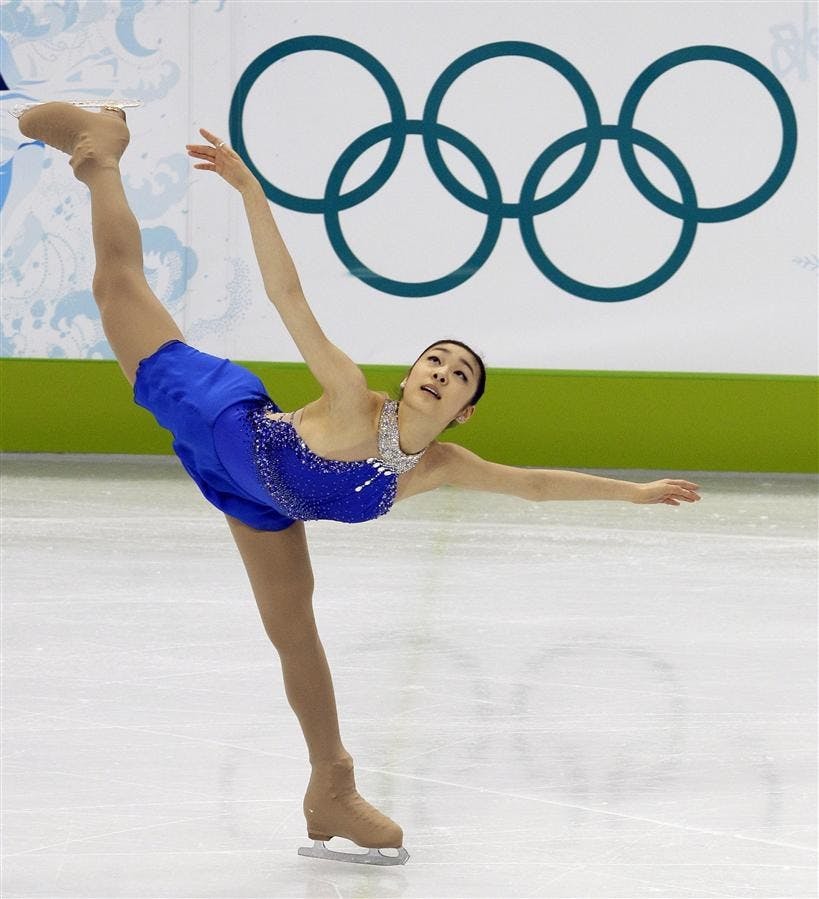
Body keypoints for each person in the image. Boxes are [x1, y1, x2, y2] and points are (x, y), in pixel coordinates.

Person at [17, 101, 702, 867]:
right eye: (434, 360)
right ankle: (100, 150)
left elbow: (533, 486)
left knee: (295, 634)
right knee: (116, 286)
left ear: (463, 411)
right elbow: (288, 297)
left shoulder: (439, 465)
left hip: (259, 502)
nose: (441, 372)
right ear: (409, 375)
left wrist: (635, 493)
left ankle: (330, 786)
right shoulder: (349, 393)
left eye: (458, 374)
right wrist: (251, 193)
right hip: (222, 417)